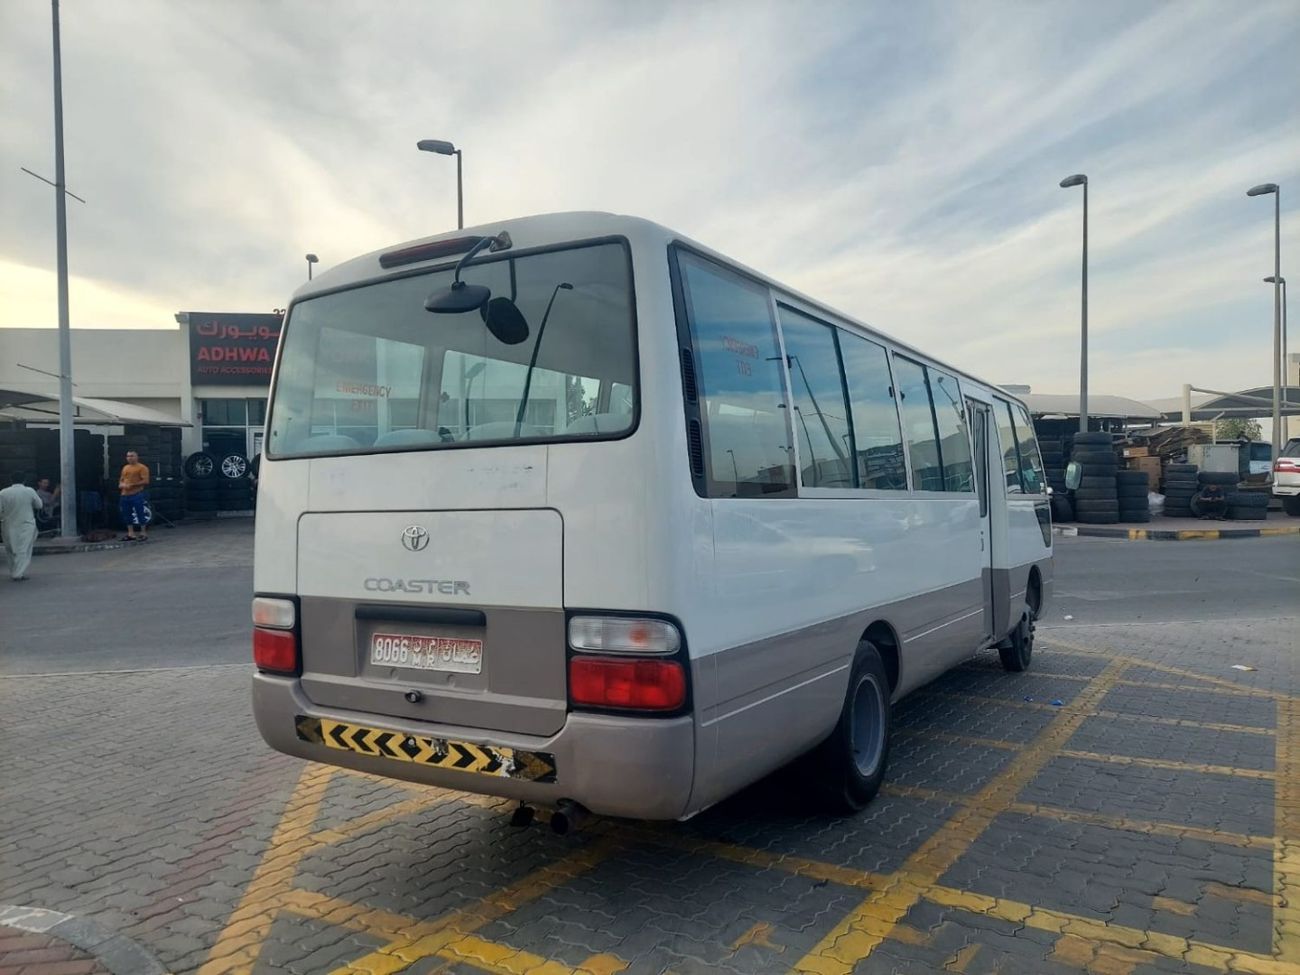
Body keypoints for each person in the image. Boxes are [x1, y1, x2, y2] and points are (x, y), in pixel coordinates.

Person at [0, 471, 43, 581]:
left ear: (11, 480)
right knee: (23, 549)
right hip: (26, 524)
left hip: (8, 524)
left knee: (10, 549)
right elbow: (39, 505)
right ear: (24, 480)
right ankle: (18, 573)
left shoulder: (3, 492)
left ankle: (14, 571)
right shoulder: (29, 491)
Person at [118, 450, 152, 541]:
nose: (129, 458)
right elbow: (121, 479)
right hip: (124, 495)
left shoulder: (142, 468)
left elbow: (146, 481)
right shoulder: (125, 467)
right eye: (128, 456)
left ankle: (143, 533)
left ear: (137, 457)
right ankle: (131, 533)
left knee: (140, 513)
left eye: (132, 456)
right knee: (126, 514)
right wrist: (121, 484)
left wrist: (132, 485)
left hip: (136, 494)